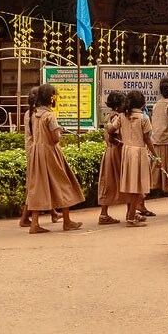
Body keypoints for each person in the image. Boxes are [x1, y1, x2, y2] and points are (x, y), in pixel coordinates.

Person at [25, 84, 84, 233]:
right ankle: (67, 221)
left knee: (39, 186)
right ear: (51, 98)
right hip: (50, 153)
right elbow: (55, 138)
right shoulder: (50, 116)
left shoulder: (35, 114)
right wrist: (60, 132)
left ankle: (35, 223)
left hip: (37, 152)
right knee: (63, 183)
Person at [118, 90, 158, 227]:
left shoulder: (123, 116)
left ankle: (131, 212)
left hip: (127, 151)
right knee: (137, 187)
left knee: (131, 185)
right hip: (139, 152)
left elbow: (111, 129)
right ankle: (130, 218)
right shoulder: (144, 118)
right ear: (142, 103)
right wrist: (156, 156)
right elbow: (147, 139)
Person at [96, 91, 127, 225]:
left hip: (109, 151)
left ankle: (104, 213)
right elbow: (111, 136)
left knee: (108, 181)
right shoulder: (118, 117)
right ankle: (131, 212)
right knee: (125, 180)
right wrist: (121, 143)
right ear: (119, 104)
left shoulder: (110, 116)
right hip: (117, 152)